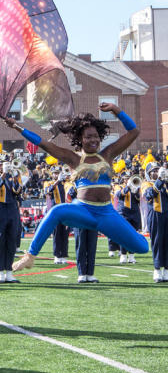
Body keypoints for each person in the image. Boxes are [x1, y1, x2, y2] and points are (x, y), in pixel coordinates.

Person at [11, 104, 149, 273]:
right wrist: (17, 127)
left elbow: (134, 132)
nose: (94, 140)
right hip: (83, 210)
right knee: (56, 211)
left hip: (106, 214)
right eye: (89, 137)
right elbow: (43, 144)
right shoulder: (73, 159)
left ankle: (127, 236)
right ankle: (30, 256)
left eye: (96, 136)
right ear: (80, 139)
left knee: (143, 247)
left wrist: (116, 110)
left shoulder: (108, 154)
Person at [0, 160, 22, 283]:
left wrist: (16, 177)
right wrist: (3, 176)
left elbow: (17, 192)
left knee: (11, 241)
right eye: (0, 164)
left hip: (12, 209)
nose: (3, 166)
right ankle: (0, 272)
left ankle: (9, 272)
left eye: (5, 164)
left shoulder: (13, 178)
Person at [144, 165, 167, 281]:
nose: (157, 172)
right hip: (155, 215)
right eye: (154, 171)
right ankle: (157, 269)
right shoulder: (147, 184)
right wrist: (159, 180)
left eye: (158, 170)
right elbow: (149, 195)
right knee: (157, 242)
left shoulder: (165, 184)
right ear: (149, 173)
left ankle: (166, 270)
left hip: (166, 216)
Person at [43, 170, 70, 264]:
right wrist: (57, 181)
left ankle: (64, 255)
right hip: (56, 211)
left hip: (66, 211)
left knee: (65, 234)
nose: (57, 174)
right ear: (52, 174)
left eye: (58, 173)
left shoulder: (66, 184)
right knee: (57, 233)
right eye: (55, 173)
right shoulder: (48, 183)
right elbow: (47, 191)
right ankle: (57, 255)